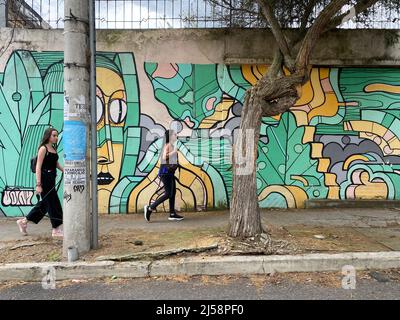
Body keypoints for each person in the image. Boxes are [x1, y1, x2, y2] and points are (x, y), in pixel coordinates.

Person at [16, 127, 64, 237]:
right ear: (48, 136)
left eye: (57, 135)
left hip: (51, 178)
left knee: (45, 204)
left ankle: (23, 222)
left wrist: (64, 170)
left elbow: (55, 163)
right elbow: (38, 166)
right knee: (52, 203)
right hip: (44, 179)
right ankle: (56, 229)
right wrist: (38, 184)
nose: (56, 137)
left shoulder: (53, 149)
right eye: (54, 135)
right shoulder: (43, 148)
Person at [144, 129, 184, 222]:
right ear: (170, 136)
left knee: (172, 193)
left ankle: (172, 214)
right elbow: (164, 157)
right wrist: (175, 152)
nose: (176, 135)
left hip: (169, 173)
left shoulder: (171, 145)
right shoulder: (168, 145)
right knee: (168, 193)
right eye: (174, 134)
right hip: (165, 173)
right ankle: (150, 208)